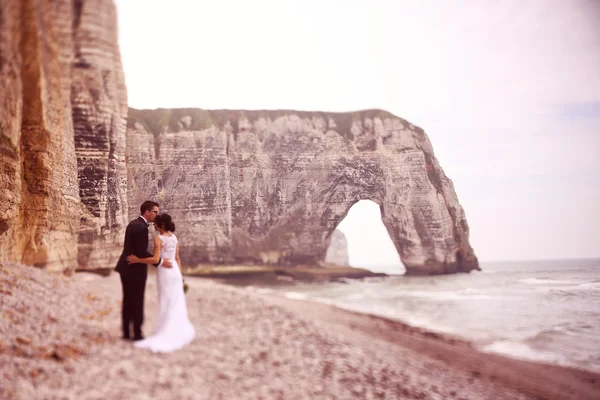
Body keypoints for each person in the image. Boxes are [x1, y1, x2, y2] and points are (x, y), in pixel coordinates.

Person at [126, 213, 196, 352]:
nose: (154, 226)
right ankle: (177, 329)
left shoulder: (159, 239)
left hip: (165, 273)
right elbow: (177, 259)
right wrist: (181, 277)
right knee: (175, 301)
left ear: (161, 225)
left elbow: (155, 259)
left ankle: (166, 330)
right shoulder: (174, 238)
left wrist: (137, 260)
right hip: (175, 272)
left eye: (156, 224)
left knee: (165, 300)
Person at [115, 201, 172, 341]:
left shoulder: (133, 223)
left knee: (128, 300)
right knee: (137, 300)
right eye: (155, 212)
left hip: (125, 267)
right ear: (147, 212)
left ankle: (127, 333)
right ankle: (138, 333)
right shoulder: (141, 228)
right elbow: (141, 252)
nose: (157, 215)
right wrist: (159, 261)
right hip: (135, 270)